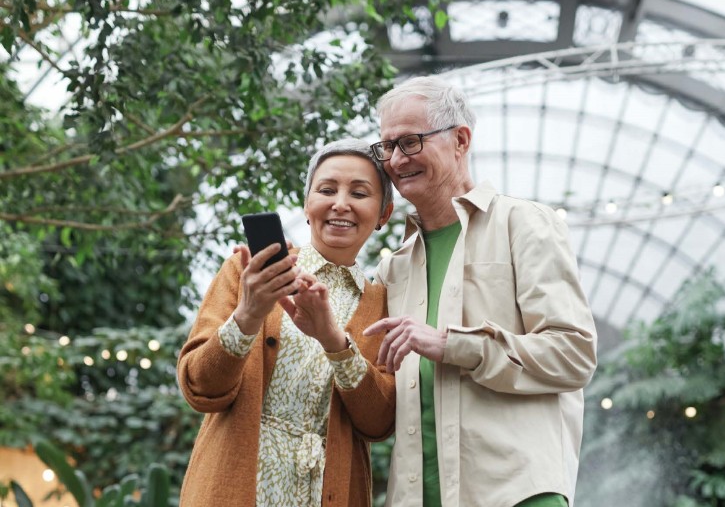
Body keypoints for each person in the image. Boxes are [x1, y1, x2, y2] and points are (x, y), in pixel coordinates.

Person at [363, 76, 598, 507]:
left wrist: (453, 345)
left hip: (518, 495)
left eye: (411, 142)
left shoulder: (523, 223)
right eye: (387, 147)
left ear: (460, 140)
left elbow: (573, 353)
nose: (395, 160)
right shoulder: (391, 268)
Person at [178, 138, 396, 507]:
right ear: (307, 203)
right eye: (326, 189)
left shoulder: (383, 304)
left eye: (359, 193)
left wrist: (334, 341)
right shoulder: (248, 271)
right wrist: (247, 315)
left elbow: (378, 422)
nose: (340, 203)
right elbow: (200, 388)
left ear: (383, 214)